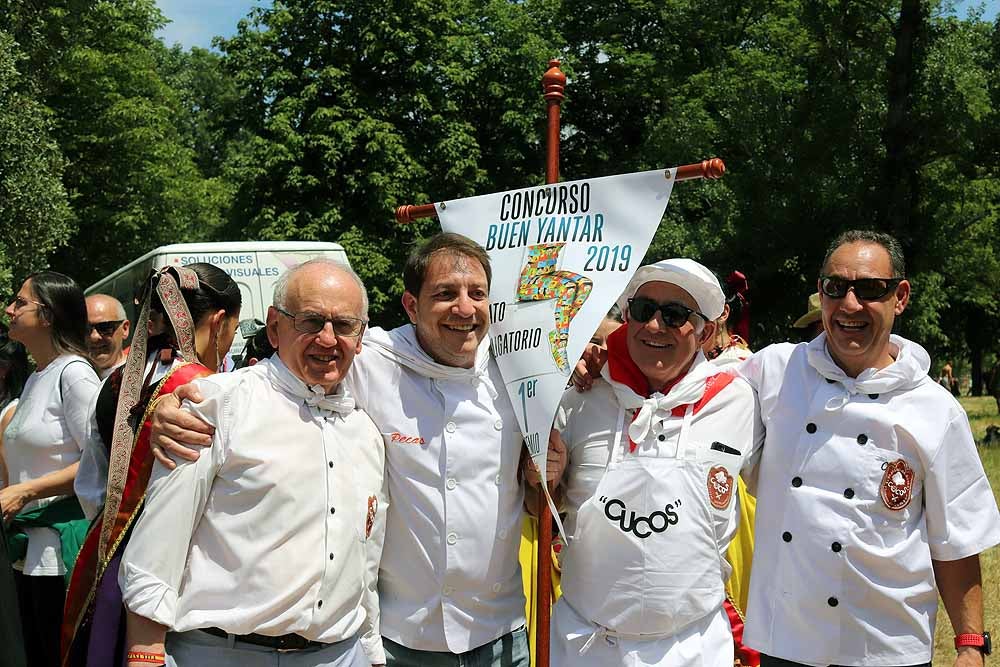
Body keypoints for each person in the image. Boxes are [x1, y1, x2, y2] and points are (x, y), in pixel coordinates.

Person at [148, 233, 530, 667]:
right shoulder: (371, 358)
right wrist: (175, 401)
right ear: (410, 306)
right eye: (445, 294)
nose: (464, 309)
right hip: (403, 636)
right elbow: (283, 374)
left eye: (476, 294)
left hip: (501, 631)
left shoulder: (520, 367)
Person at [738, 230, 1000, 666]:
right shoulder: (773, 371)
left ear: (900, 297)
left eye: (870, 289)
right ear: (820, 293)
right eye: (835, 288)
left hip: (886, 645)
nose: (850, 304)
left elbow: (955, 540)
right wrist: (597, 366)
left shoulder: (936, 409)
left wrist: (970, 645)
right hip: (785, 641)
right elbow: (686, 392)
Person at [119, 258, 385, 667]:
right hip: (222, 654)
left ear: (361, 335)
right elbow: (158, 544)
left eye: (345, 325)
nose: (329, 339)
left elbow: (364, 562)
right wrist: (145, 652)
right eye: (311, 322)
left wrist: (371, 652)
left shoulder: (365, 431)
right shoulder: (217, 404)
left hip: (340, 654)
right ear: (276, 327)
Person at [531, 258, 760, 667]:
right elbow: (539, 508)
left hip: (694, 650)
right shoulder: (579, 398)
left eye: (675, 315)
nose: (654, 326)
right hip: (584, 646)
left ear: (706, 332)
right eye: (642, 310)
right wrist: (541, 480)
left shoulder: (742, 401)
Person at [63, 263, 242, 667]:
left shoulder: (116, 381)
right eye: (232, 328)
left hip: (106, 557)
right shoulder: (205, 390)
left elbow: (91, 482)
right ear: (218, 322)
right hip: (172, 580)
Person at [1, 271, 100, 667]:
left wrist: (24, 493)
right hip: (27, 554)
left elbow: (100, 461)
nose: (9, 308)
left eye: (20, 302)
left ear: (47, 315)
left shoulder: (74, 375)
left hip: (61, 558)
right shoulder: (37, 378)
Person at [85, 294, 130, 378]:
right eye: (85, 329)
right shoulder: (76, 379)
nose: (94, 337)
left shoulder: (143, 374)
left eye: (104, 327)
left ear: (125, 329)